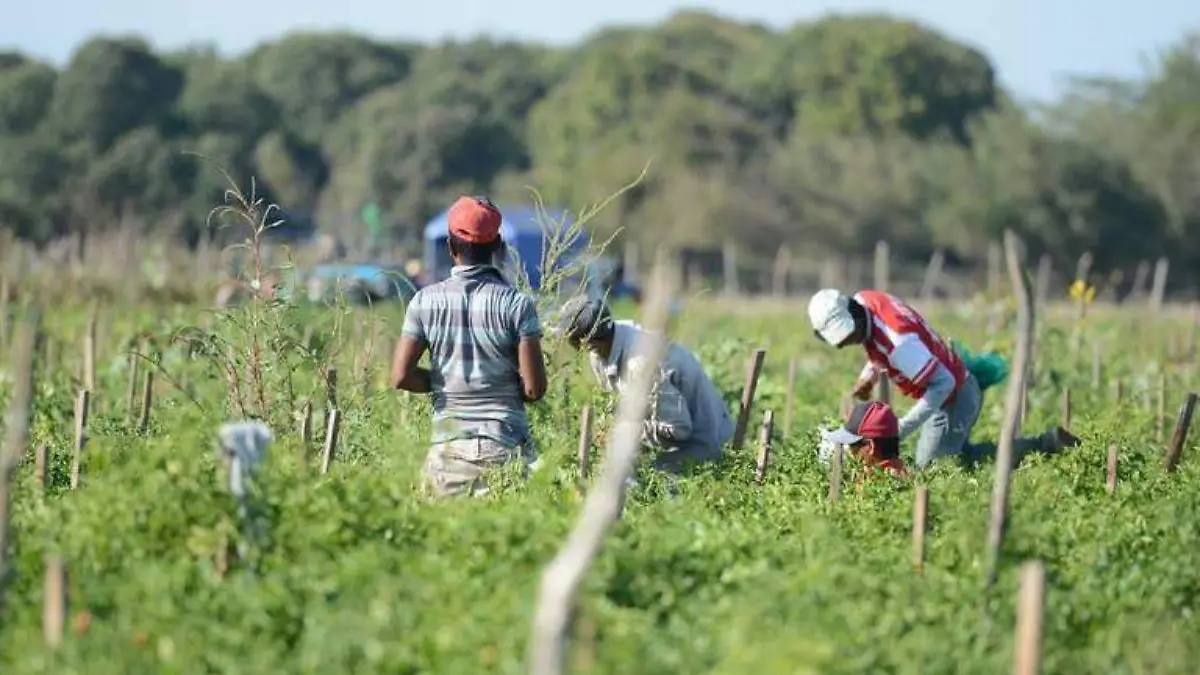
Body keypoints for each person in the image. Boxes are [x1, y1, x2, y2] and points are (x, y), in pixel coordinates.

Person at [807, 288, 1079, 470]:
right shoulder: (866, 301)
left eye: (848, 336)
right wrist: (869, 375)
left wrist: (902, 428)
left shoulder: (901, 346)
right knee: (954, 457)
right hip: (951, 384)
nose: (847, 344)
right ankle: (1046, 444)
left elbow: (943, 384)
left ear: (853, 314)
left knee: (931, 468)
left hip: (954, 396)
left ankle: (1045, 446)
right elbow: (875, 342)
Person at [390, 195, 548, 497]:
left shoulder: (424, 301)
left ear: (450, 248)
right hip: (504, 450)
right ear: (498, 246)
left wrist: (444, 382)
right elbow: (534, 389)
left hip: (446, 451)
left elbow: (400, 376)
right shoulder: (517, 305)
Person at [555, 296, 734, 475]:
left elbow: (678, 430)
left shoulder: (641, 363)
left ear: (589, 343)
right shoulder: (603, 349)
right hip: (667, 440)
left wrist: (623, 431)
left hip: (701, 445)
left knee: (628, 482)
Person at [820, 400, 910, 477]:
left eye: (852, 445)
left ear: (871, 446)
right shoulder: (906, 475)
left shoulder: (873, 486)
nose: (850, 452)